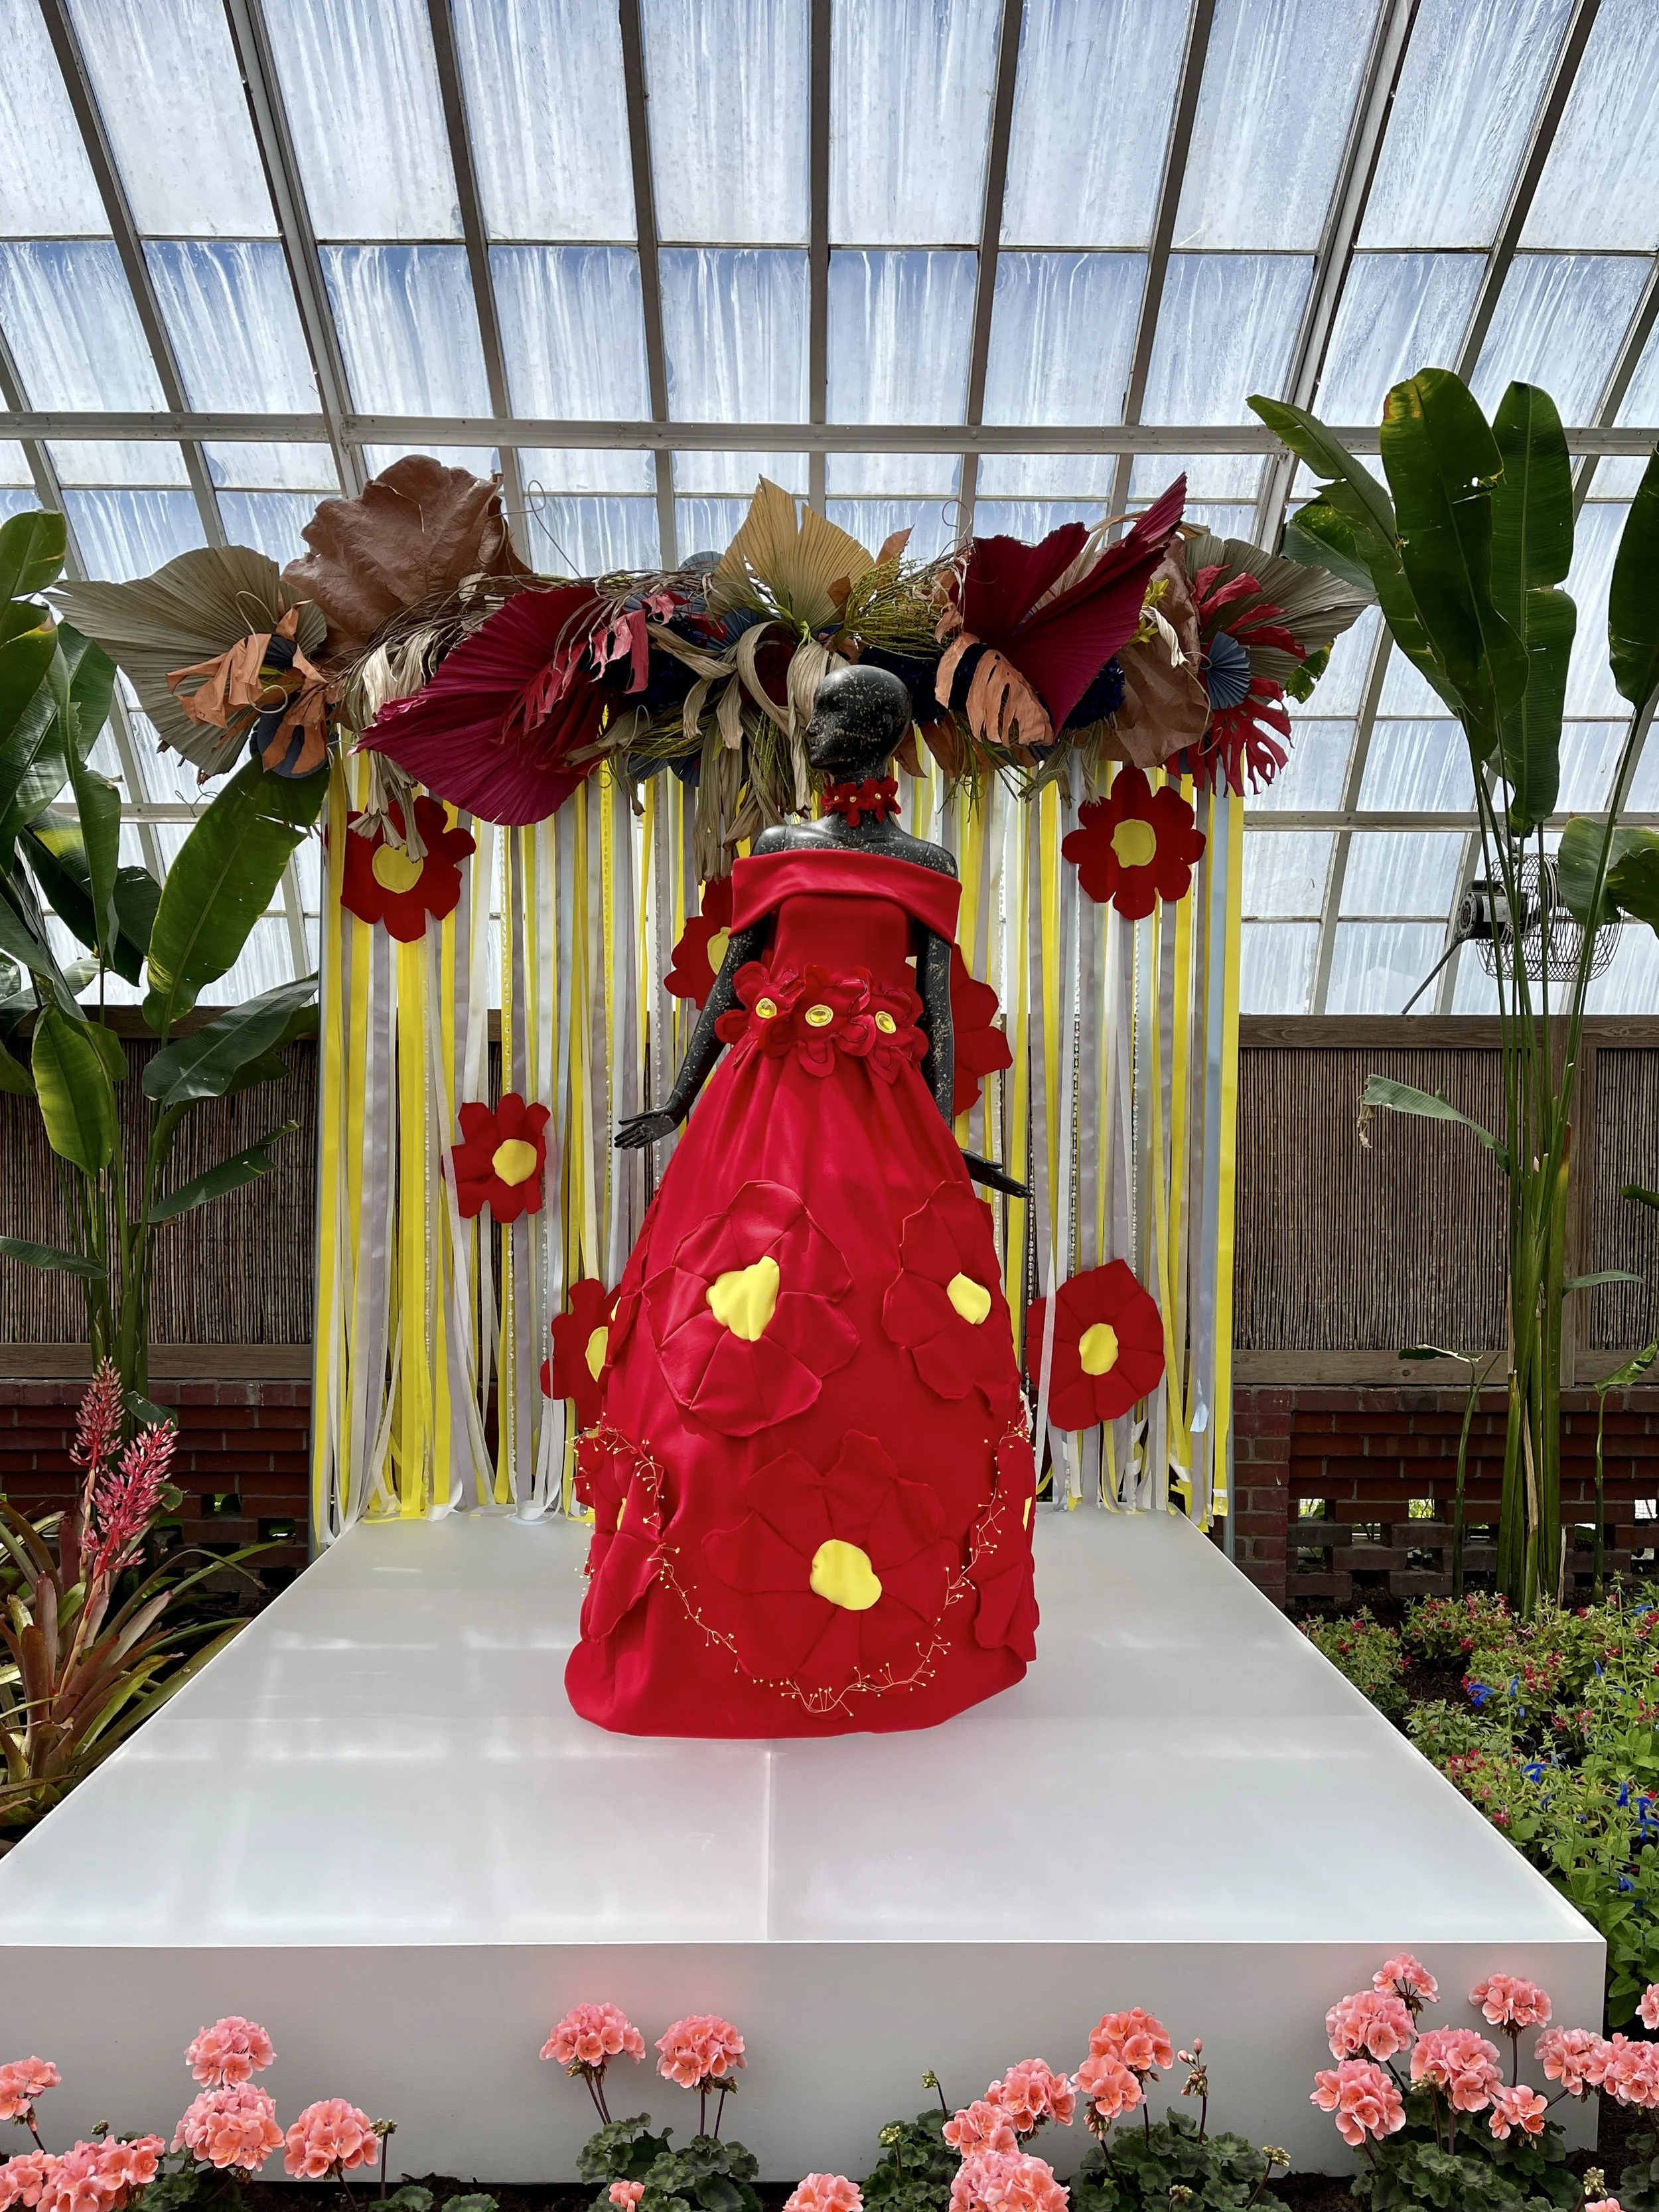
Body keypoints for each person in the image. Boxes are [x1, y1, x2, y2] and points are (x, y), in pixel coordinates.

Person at [564, 664, 1038, 1737]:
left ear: (876, 734)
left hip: (879, 1120)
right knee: (743, 1308)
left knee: (884, 1316)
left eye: (829, 715)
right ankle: (714, 1613)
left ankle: (882, 1608)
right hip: (761, 1109)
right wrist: (679, 1103)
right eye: (811, 716)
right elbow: (733, 982)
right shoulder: (776, 852)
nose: (810, 731)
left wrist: (949, 1141)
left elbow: (936, 1012)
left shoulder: (926, 863)